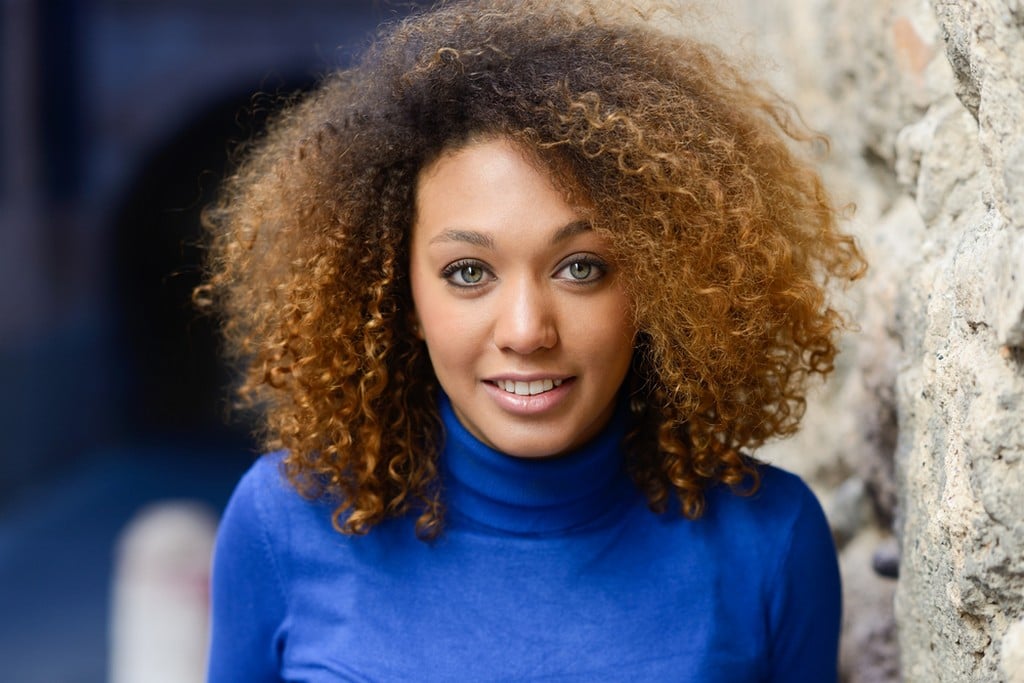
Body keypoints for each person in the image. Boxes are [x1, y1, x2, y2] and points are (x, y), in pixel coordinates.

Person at [199, 1, 866, 680]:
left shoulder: (769, 542)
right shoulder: (283, 524)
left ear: (661, 282)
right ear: (401, 295)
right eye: (468, 272)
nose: (525, 331)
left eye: (581, 268)